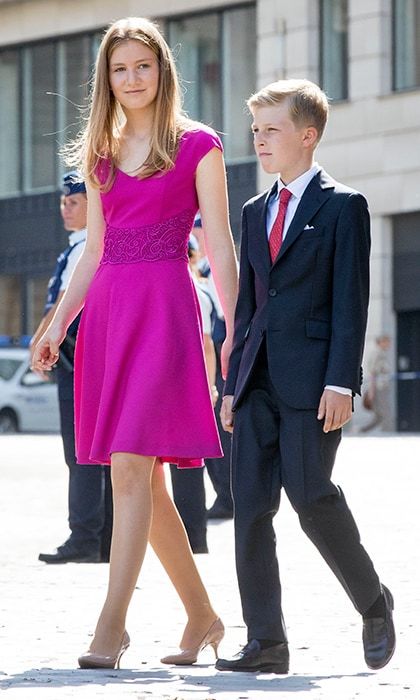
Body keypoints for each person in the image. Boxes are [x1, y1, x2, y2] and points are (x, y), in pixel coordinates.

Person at [32, 16, 238, 670]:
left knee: (129, 466)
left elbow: (219, 243)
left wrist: (232, 326)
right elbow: (93, 250)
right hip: (112, 316)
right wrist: (60, 321)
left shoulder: (200, 145)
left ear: (162, 69)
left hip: (165, 310)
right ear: (107, 78)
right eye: (119, 69)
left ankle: (110, 629)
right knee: (139, 476)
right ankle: (203, 618)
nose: (132, 79)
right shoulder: (97, 151)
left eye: (142, 66)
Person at [216, 79, 395, 674]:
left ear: (307, 134)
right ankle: (266, 643)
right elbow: (247, 306)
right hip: (256, 380)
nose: (259, 140)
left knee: (312, 496)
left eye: (271, 129)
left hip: (315, 381)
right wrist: (232, 385)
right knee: (250, 510)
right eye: (256, 129)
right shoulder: (252, 210)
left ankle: (373, 602)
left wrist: (342, 381)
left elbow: (352, 300)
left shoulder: (343, 206)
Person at [31, 172, 113, 564]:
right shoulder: (76, 247)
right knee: (92, 451)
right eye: (64, 202)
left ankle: (86, 537)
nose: (66, 208)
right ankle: (102, 537)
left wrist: (39, 338)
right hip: (84, 359)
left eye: (74, 201)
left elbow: (63, 301)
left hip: (77, 359)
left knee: (81, 451)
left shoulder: (86, 249)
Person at [169, 233, 218, 554]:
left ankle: (193, 540)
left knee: (187, 466)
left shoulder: (194, 290)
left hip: (186, 386)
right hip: (175, 385)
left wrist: (208, 387)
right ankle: (187, 540)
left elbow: (207, 346)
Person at [192, 216, 234, 520]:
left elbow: (224, 320)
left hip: (218, 356)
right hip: (209, 355)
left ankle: (228, 496)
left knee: (221, 431)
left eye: (198, 225)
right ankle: (225, 494)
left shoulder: (215, 273)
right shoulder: (202, 271)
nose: (193, 231)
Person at [361, 335, 393, 433]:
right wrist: (371, 391)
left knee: (379, 416)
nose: (388, 344)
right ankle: (387, 433)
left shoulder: (383, 354)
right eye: (386, 341)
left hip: (382, 387)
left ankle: (362, 430)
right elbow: (373, 373)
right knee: (385, 413)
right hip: (378, 387)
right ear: (380, 342)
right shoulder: (377, 354)